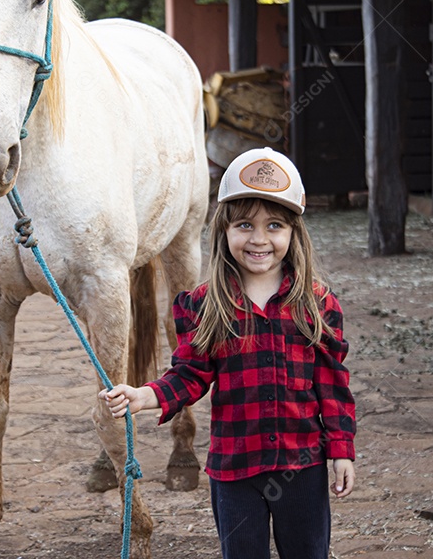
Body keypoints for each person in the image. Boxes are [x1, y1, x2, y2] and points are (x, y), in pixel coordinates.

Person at [101, 147, 356, 559]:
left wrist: (341, 450)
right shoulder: (205, 304)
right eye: (244, 225)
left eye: (274, 225)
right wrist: (145, 395)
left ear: (293, 233)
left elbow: (332, 385)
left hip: (303, 468)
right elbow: (189, 374)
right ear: (223, 230)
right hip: (235, 471)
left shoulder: (318, 304)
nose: (259, 239)